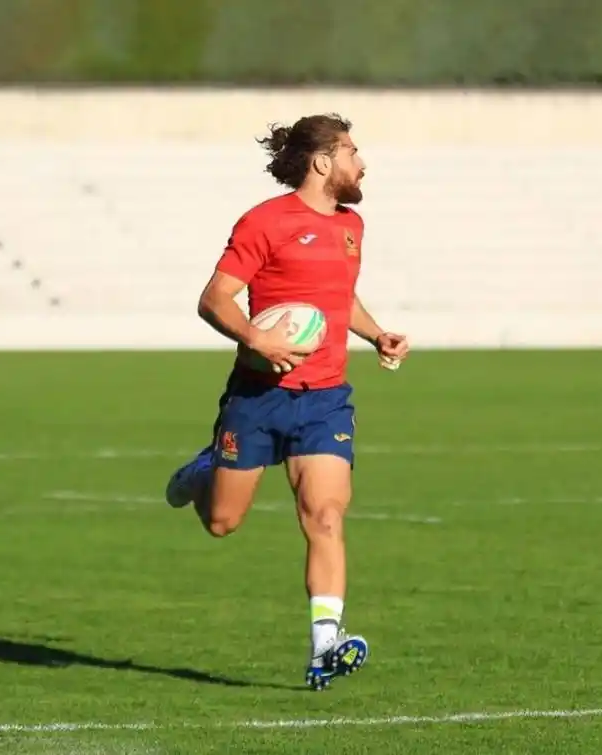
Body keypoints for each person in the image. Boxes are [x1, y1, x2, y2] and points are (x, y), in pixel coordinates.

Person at [164, 113, 409, 691]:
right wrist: (255, 337)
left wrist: (377, 336)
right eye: (352, 152)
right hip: (256, 398)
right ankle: (204, 471)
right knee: (223, 522)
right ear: (322, 161)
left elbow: (339, 298)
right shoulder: (264, 222)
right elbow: (214, 298)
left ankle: (326, 643)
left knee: (325, 515)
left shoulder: (353, 226)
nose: (362, 163)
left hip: (325, 399)